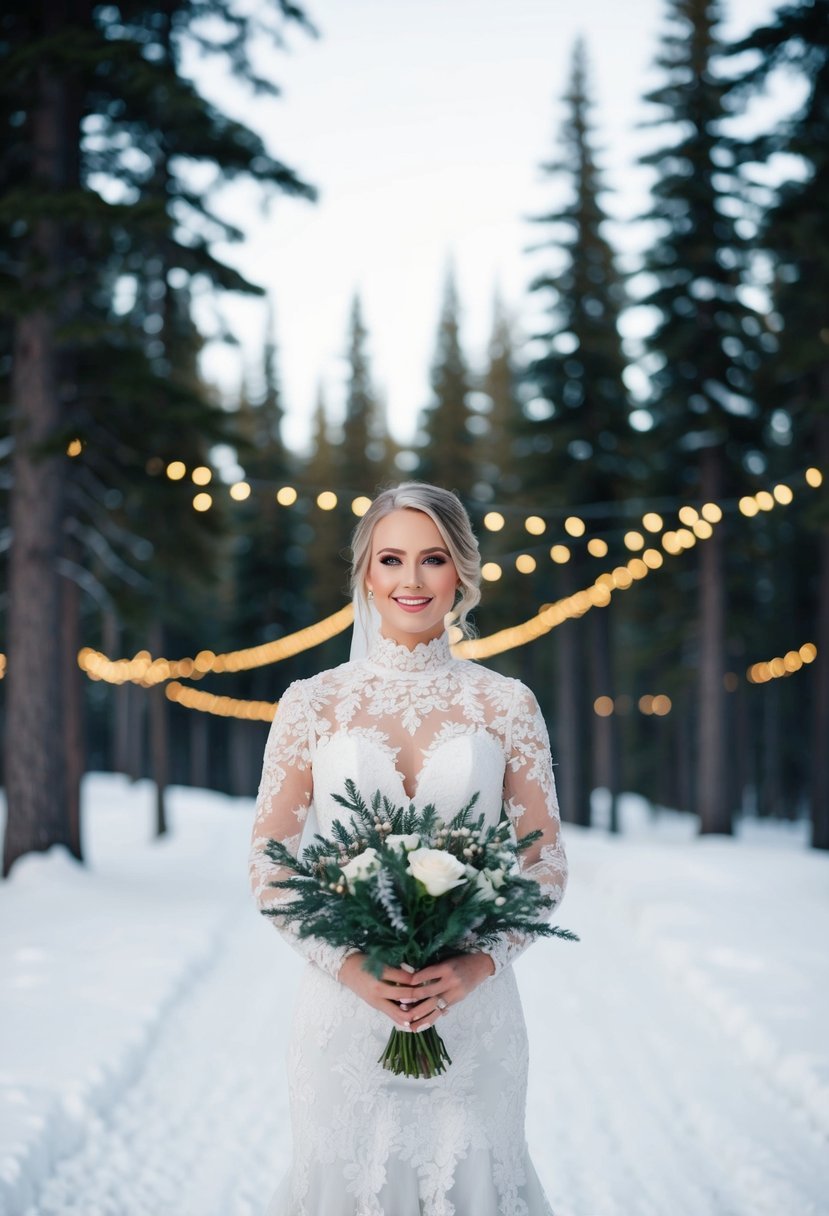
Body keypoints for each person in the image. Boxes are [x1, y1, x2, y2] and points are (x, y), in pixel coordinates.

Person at [249, 482, 568, 1216]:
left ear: (460, 571)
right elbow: (269, 863)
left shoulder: (505, 703)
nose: (410, 580)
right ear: (365, 573)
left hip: (475, 1019)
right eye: (390, 559)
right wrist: (351, 966)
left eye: (431, 560)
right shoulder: (312, 702)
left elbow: (543, 862)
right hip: (343, 1018)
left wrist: (476, 963)